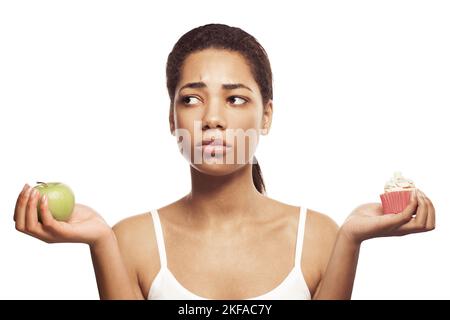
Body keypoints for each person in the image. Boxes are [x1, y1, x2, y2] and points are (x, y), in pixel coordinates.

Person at [13, 23, 435, 300]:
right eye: (192, 99)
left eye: (235, 99)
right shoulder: (130, 241)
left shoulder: (321, 238)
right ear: (171, 117)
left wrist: (351, 240)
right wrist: (101, 243)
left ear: (266, 115)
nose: (212, 118)